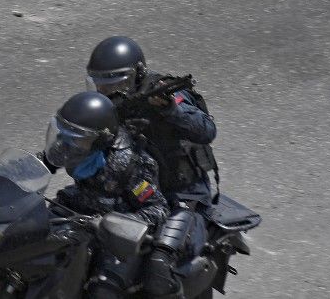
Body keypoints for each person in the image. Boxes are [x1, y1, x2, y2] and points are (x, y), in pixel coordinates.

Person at [85, 36, 218, 299]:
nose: (106, 91)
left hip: (182, 194)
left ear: (138, 73)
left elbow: (207, 130)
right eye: (100, 83)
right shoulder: (107, 101)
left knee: (158, 267)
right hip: (135, 186)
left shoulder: (167, 93)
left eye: (116, 82)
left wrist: (171, 110)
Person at [42, 91, 169, 298]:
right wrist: (12, 172)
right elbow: (45, 162)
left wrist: (111, 223)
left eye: (77, 140)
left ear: (101, 141)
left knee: (101, 292)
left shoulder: (130, 165)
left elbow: (157, 208)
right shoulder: (74, 142)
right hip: (77, 211)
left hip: (116, 234)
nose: (68, 144)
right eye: (66, 135)